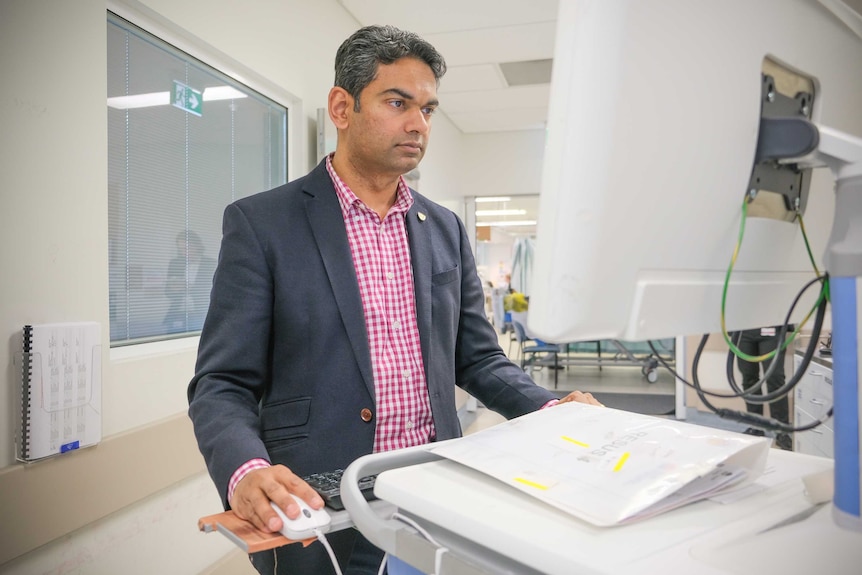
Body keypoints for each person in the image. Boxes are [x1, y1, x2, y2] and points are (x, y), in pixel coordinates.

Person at [187, 24, 600, 575]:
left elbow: (477, 357)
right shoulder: (263, 224)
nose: (417, 123)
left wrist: (550, 411)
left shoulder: (444, 228)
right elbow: (222, 382)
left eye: (427, 109)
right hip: (323, 508)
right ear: (341, 106)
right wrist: (244, 469)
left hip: (433, 497)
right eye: (397, 102)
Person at [735, 326, 793, 450]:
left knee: (775, 378)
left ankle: (781, 430)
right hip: (743, 330)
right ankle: (756, 426)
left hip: (771, 328)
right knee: (749, 378)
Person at [163, 230, 216, 333]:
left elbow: (213, 292)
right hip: (178, 313)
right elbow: (168, 293)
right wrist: (174, 289)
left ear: (197, 246)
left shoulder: (210, 264)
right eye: (181, 249)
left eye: (187, 248)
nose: (184, 252)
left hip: (201, 314)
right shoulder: (175, 263)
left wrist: (189, 287)